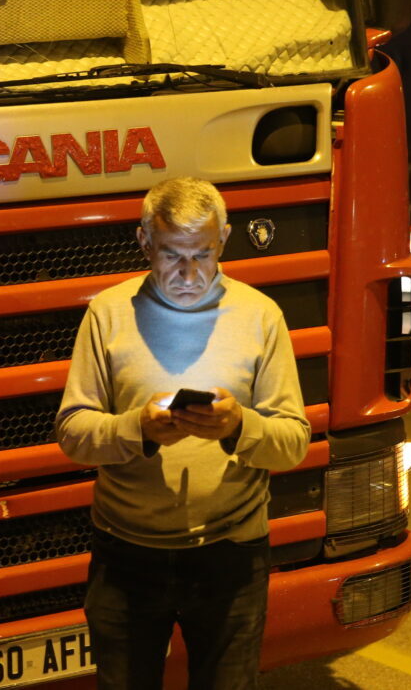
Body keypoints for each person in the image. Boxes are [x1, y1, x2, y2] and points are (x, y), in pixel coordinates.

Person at [55, 176, 310, 689]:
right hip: (126, 556)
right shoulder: (107, 314)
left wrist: (240, 426)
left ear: (224, 240)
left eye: (204, 254)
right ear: (144, 241)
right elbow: (73, 433)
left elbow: (294, 443)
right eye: (172, 255)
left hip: (231, 557)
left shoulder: (261, 316)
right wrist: (137, 429)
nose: (189, 274)